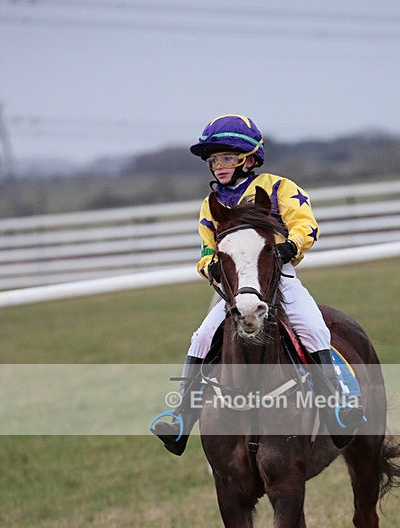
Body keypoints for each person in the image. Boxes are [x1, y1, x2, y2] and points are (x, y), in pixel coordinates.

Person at [151, 114, 364, 455]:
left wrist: (290, 247)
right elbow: (207, 250)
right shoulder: (211, 205)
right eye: (214, 159)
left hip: (281, 280)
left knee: (313, 328)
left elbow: (306, 225)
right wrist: (212, 268)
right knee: (202, 337)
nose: (219, 165)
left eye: (228, 157)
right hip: (237, 288)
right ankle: (180, 417)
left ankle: (337, 406)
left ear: (249, 158)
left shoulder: (279, 187)